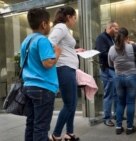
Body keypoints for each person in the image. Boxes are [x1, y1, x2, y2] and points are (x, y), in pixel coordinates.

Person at [21, 8, 61, 141]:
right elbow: (48, 63)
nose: (50, 25)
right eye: (49, 23)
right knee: (41, 128)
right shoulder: (42, 40)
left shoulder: (26, 41)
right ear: (43, 24)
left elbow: (23, 64)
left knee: (31, 124)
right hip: (43, 88)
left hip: (29, 87)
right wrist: (57, 53)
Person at [48, 6, 84, 141]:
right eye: (75, 17)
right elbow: (50, 43)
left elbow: (63, 48)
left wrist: (75, 51)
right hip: (64, 69)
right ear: (69, 17)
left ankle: (69, 133)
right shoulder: (61, 27)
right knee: (69, 105)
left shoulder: (64, 29)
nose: (75, 20)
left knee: (72, 104)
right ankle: (56, 135)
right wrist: (55, 60)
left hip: (68, 69)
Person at [108, 27, 136, 135]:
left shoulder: (112, 49)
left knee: (120, 103)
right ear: (127, 37)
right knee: (130, 102)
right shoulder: (132, 47)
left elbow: (110, 64)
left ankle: (118, 126)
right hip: (132, 77)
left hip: (118, 78)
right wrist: (133, 43)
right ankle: (130, 128)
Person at [96, 21, 119, 127]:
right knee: (109, 94)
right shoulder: (101, 38)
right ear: (110, 27)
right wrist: (116, 54)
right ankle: (107, 118)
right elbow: (102, 53)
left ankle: (117, 115)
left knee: (116, 93)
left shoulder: (112, 39)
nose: (117, 30)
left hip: (113, 69)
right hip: (107, 69)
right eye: (116, 28)